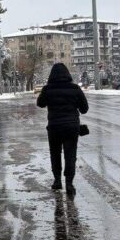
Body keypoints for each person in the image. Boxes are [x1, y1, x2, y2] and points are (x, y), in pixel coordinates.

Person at [36, 62, 88, 196]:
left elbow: (40, 103)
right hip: (71, 127)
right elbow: (84, 109)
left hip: (54, 127)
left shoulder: (48, 89)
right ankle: (69, 184)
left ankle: (57, 180)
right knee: (70, 155)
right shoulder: (75, 88)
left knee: (55, 153)